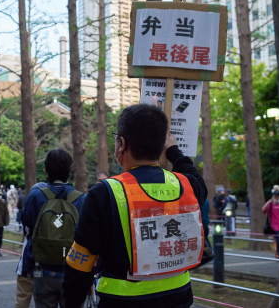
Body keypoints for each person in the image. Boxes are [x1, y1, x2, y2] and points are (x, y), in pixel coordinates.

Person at [62, 104, 207, 308]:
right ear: (161, 145)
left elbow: (79, 265)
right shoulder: (187, 186)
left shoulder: (103, 193)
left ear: (121, 143)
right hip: (179, 298)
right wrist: (173, 150)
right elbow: (195, 177)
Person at [22, 148, 86, 308]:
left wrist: (28, 267)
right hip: (73, 272)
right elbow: (86, 239)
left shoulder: (36, 196)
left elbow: (28, 232)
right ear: (70, 168)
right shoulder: (81, 199)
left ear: (46, 168)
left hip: (43, 271)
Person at [15, 182, 46, 308]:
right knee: (45, 299)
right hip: (49, 264)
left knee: (23, 297)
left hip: (28, 261)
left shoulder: (27, 212)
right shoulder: (53, 212)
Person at [263, 191, 279, 259]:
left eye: (278, 196)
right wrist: (269, 202)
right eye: (275, 196)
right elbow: (263, 210)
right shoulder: (270, 205)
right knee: (278, 242)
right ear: (273, 197)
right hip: (274, 227)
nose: (277, 198)